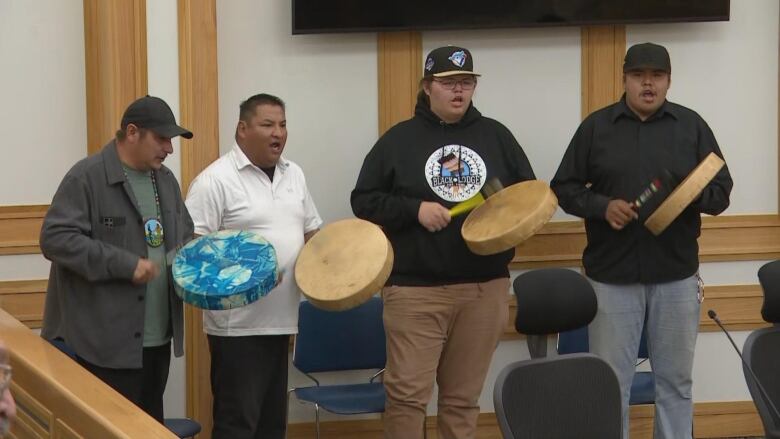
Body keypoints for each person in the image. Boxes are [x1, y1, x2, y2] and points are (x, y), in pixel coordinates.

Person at [551, 42, 733, 439]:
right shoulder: (596, 127)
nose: (648, 84)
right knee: (610, 384)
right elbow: (562, 188)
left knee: (676, 383)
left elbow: (722, 192)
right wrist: (601, 206)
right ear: (625, 79)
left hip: (676, 276)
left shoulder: (692, 126)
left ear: (669, 81)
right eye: (639, 76)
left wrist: (687, 196)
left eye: (657, 76)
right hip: (612, 276)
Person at [351, 45, 535, 439]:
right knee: (406, 399)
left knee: (462, 400)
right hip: (416, 291)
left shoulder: (497, 136)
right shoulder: (399, 140)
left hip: (484, 290)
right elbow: (363, 200)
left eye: (466, 82)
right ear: (427, 86)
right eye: (449, 83)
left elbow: (524, 198)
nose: (459, 91)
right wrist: (413, 209)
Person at [40, 95, 194, 422]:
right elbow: (55, 239)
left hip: (157, 342)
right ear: (133, 132)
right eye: (162, 138)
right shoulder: (86, 177)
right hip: (101, 348)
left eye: (172, 140)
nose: (169, 148)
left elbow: (185, 238)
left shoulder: (166, 181)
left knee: (147, 429)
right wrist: (124, 264)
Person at [185, 93, 322, 439]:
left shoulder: (295, 175)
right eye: (267, 125)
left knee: (272, 426)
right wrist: (249, 274)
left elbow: (312, 233)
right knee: (238, 425)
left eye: (283, 124)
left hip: (284, 322)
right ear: (242, 129)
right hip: (238, 329)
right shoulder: (214, 180)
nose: (278, 132)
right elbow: (193, 255)